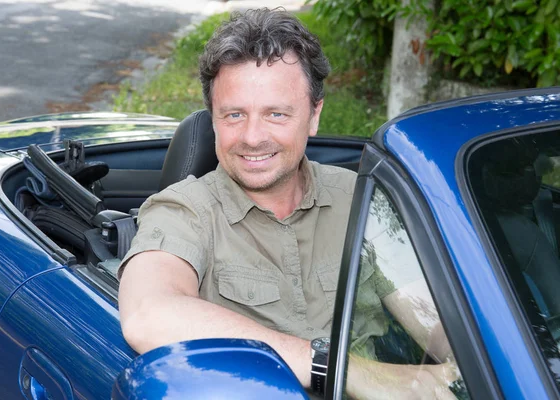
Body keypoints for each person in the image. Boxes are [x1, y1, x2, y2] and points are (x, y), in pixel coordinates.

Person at [118, 8, 459, 399]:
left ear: (314, 115)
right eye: (234, 115)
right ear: (213, 118)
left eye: (276, 114)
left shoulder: (361, 199)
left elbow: (434, 320)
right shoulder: (186, 211)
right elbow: (148, 314)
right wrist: (341, 370)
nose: (252, 137)